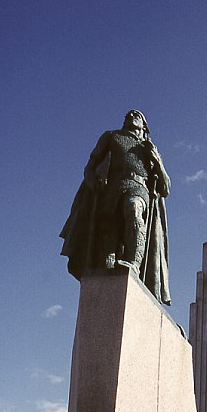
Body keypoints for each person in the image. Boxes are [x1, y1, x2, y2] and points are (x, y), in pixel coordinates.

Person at [60, 110, 171, 305]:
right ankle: (108, 266)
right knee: (108, 231)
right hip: (112, 189)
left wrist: (158, 161)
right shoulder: (112, 137)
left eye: (137, 115)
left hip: (138, 188)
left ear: (144, 126)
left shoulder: (149, 147)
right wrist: (92, 180)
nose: (132, 114)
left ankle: (134, 263)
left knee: (133, 210)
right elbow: (91, 165)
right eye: (130, 114)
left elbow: (166, 187)